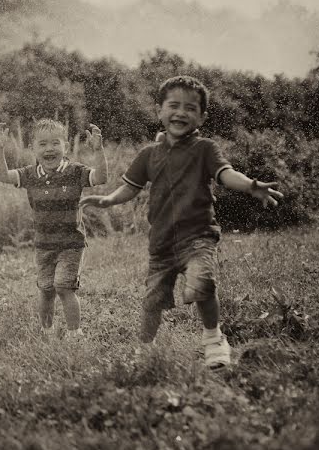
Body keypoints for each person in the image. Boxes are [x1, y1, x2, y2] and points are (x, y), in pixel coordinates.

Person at [79, 76, 283, 368]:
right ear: (160, 111)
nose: (180, 113)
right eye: (173, 105)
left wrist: (250, 185)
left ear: (202, 116)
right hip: (161, 243)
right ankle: (145, 351)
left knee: (202, 283)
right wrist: (109, 200)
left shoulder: (205, 149)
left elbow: (226, 174)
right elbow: (131, 187)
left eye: (190, 108)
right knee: (152, 301)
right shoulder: (149, 154)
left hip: (199, 236)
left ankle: (214, 340)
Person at [0, 118, 108, 339]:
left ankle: (75, 334)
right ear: (32, 148)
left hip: (71, 244)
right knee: (46, 290)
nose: (49, 149)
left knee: (64, 287)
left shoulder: (75, 172)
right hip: (43, 245)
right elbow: (2, 176)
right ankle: (47, 332)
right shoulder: (30, 175)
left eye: (55, 143)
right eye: (42, 144)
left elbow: (101, 177)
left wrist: (98, 150)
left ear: (65, 146)